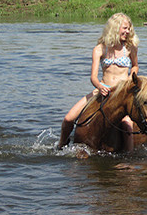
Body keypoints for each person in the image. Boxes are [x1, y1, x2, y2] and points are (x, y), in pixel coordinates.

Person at [58, 13, 139, 151]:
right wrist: (100, 86)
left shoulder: (130, 48)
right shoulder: (100, 49)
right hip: (102, 90)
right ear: (115, 28)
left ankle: (129, 157)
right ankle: (61, 146)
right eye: (124, 28)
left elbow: (135, 65)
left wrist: (132, 76)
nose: (127, 31)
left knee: (127, 124)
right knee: (68, 118)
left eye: (129, 28)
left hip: (121, 94)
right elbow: (93, 77)